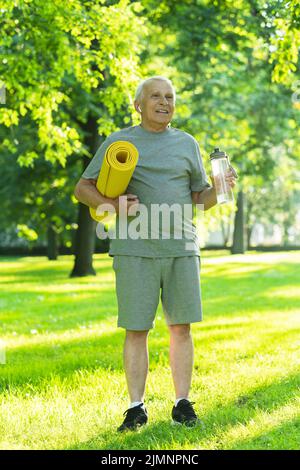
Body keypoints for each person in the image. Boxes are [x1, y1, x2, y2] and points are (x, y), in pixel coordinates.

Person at [74, 76, 237, 432]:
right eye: (156, 97)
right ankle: (136, 408)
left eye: (170, 97)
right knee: (136, 328)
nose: (164, 102)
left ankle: (182, 404)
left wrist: (221, 188)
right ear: (139, 104)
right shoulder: (119, 142)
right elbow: (82, 187)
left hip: (181, 247)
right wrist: (112, 205)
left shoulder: (186, 143)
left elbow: (199, 197)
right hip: (135, 250)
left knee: (181, 327)